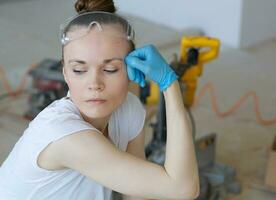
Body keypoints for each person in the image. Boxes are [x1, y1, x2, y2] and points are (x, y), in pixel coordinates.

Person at [0, 0, 199, 199]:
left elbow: (136, 195)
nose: (94, 83)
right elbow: (182, 189)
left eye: (110, 69)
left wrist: (168, 82)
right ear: (66, 74)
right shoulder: (64, 134)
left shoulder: (129, 109)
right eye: (79, 70)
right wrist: (169, 84)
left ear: (131, 69)